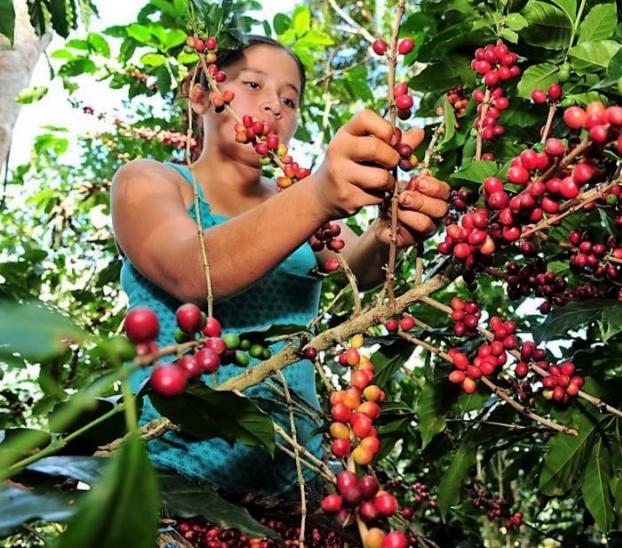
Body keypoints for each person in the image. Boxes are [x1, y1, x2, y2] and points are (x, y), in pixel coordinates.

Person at [110, 35, 451, 500]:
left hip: (295, 477)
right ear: (201, 93)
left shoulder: (297, 200)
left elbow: (358, 268)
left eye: (289, 99)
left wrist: (386, 233)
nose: (273, 106)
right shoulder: (152, 180)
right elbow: (192, 272)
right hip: (166, 466)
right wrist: (318, 196)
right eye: (252, 84)